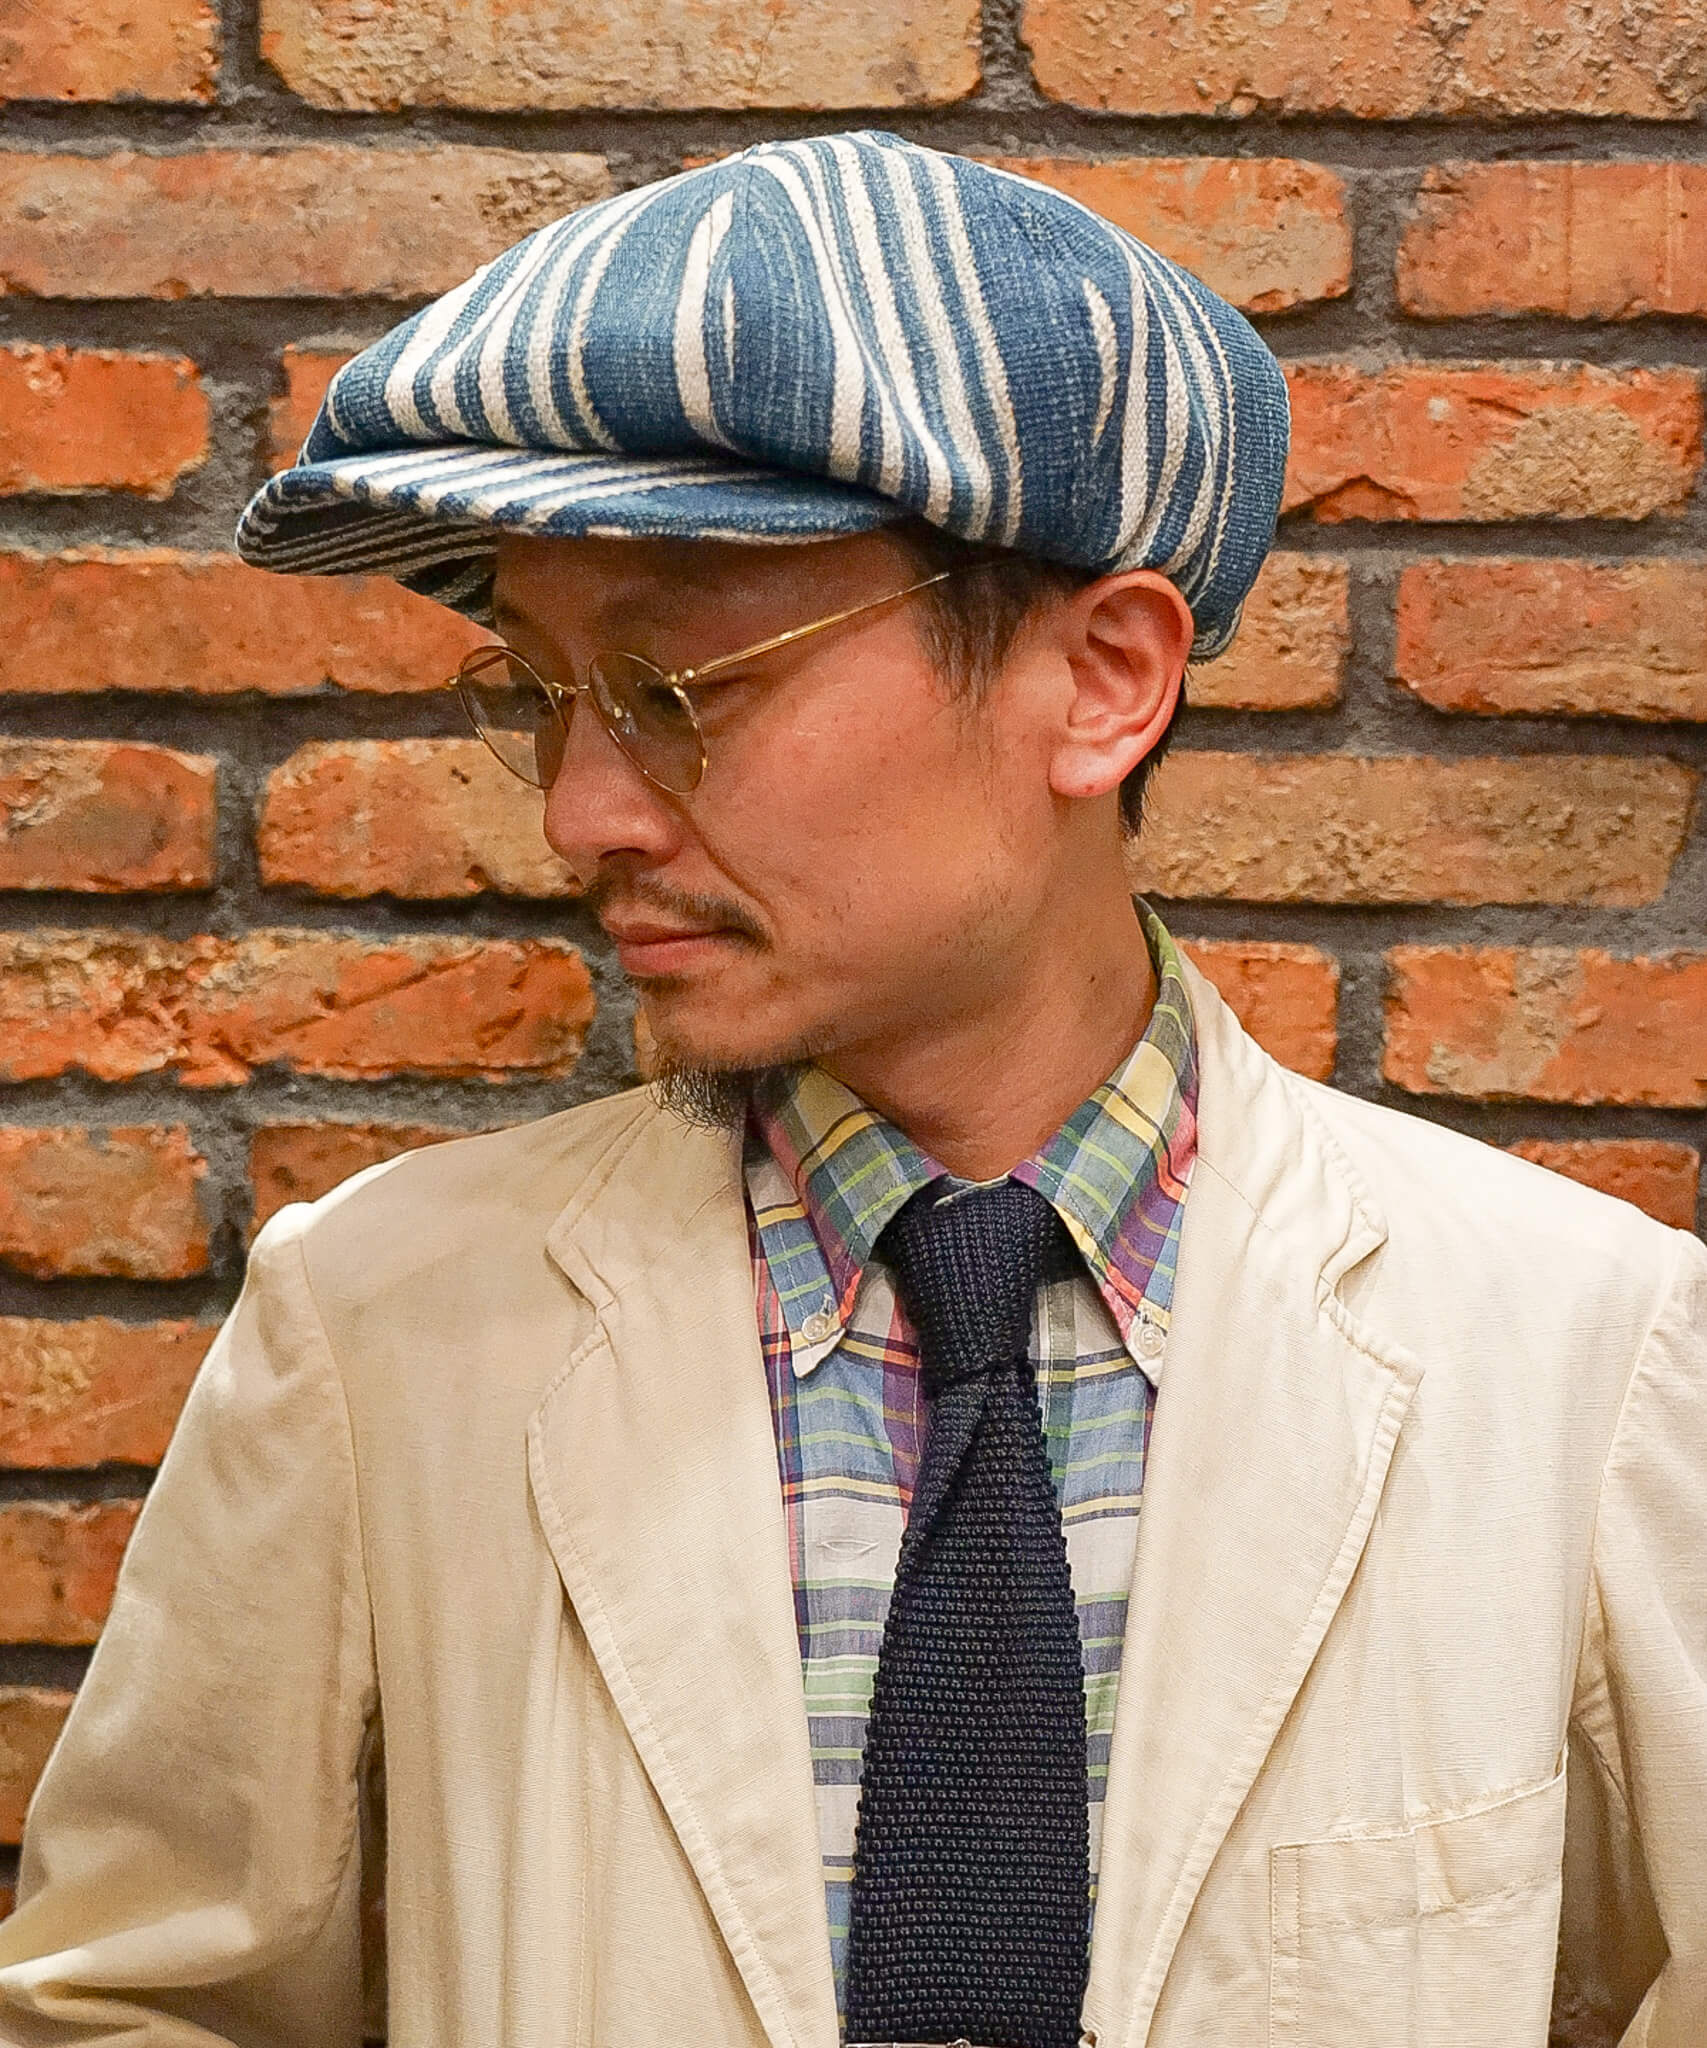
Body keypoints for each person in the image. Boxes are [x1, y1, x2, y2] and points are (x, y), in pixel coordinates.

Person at [0, 131, 1701, 2048]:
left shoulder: (1578, 1354)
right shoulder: (386, 1333)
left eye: (678, 687)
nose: (580, 813)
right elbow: (134, 2000)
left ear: (1102, 680)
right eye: (541, 693)